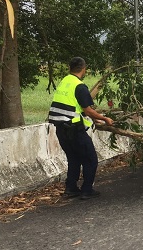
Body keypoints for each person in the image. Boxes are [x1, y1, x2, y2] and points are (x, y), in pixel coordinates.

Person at [48, 57, 114, 200]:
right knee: (91, 159)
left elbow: (74, 106)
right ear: (84, 69)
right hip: (74, 130)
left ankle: (71, 188)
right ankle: (87, 190)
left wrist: (94, 118)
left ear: (70, 68)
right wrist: (105, 119)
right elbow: (88, 110)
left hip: (60, 129)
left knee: (74, 158)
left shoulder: (65, 82)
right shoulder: (80, 86)